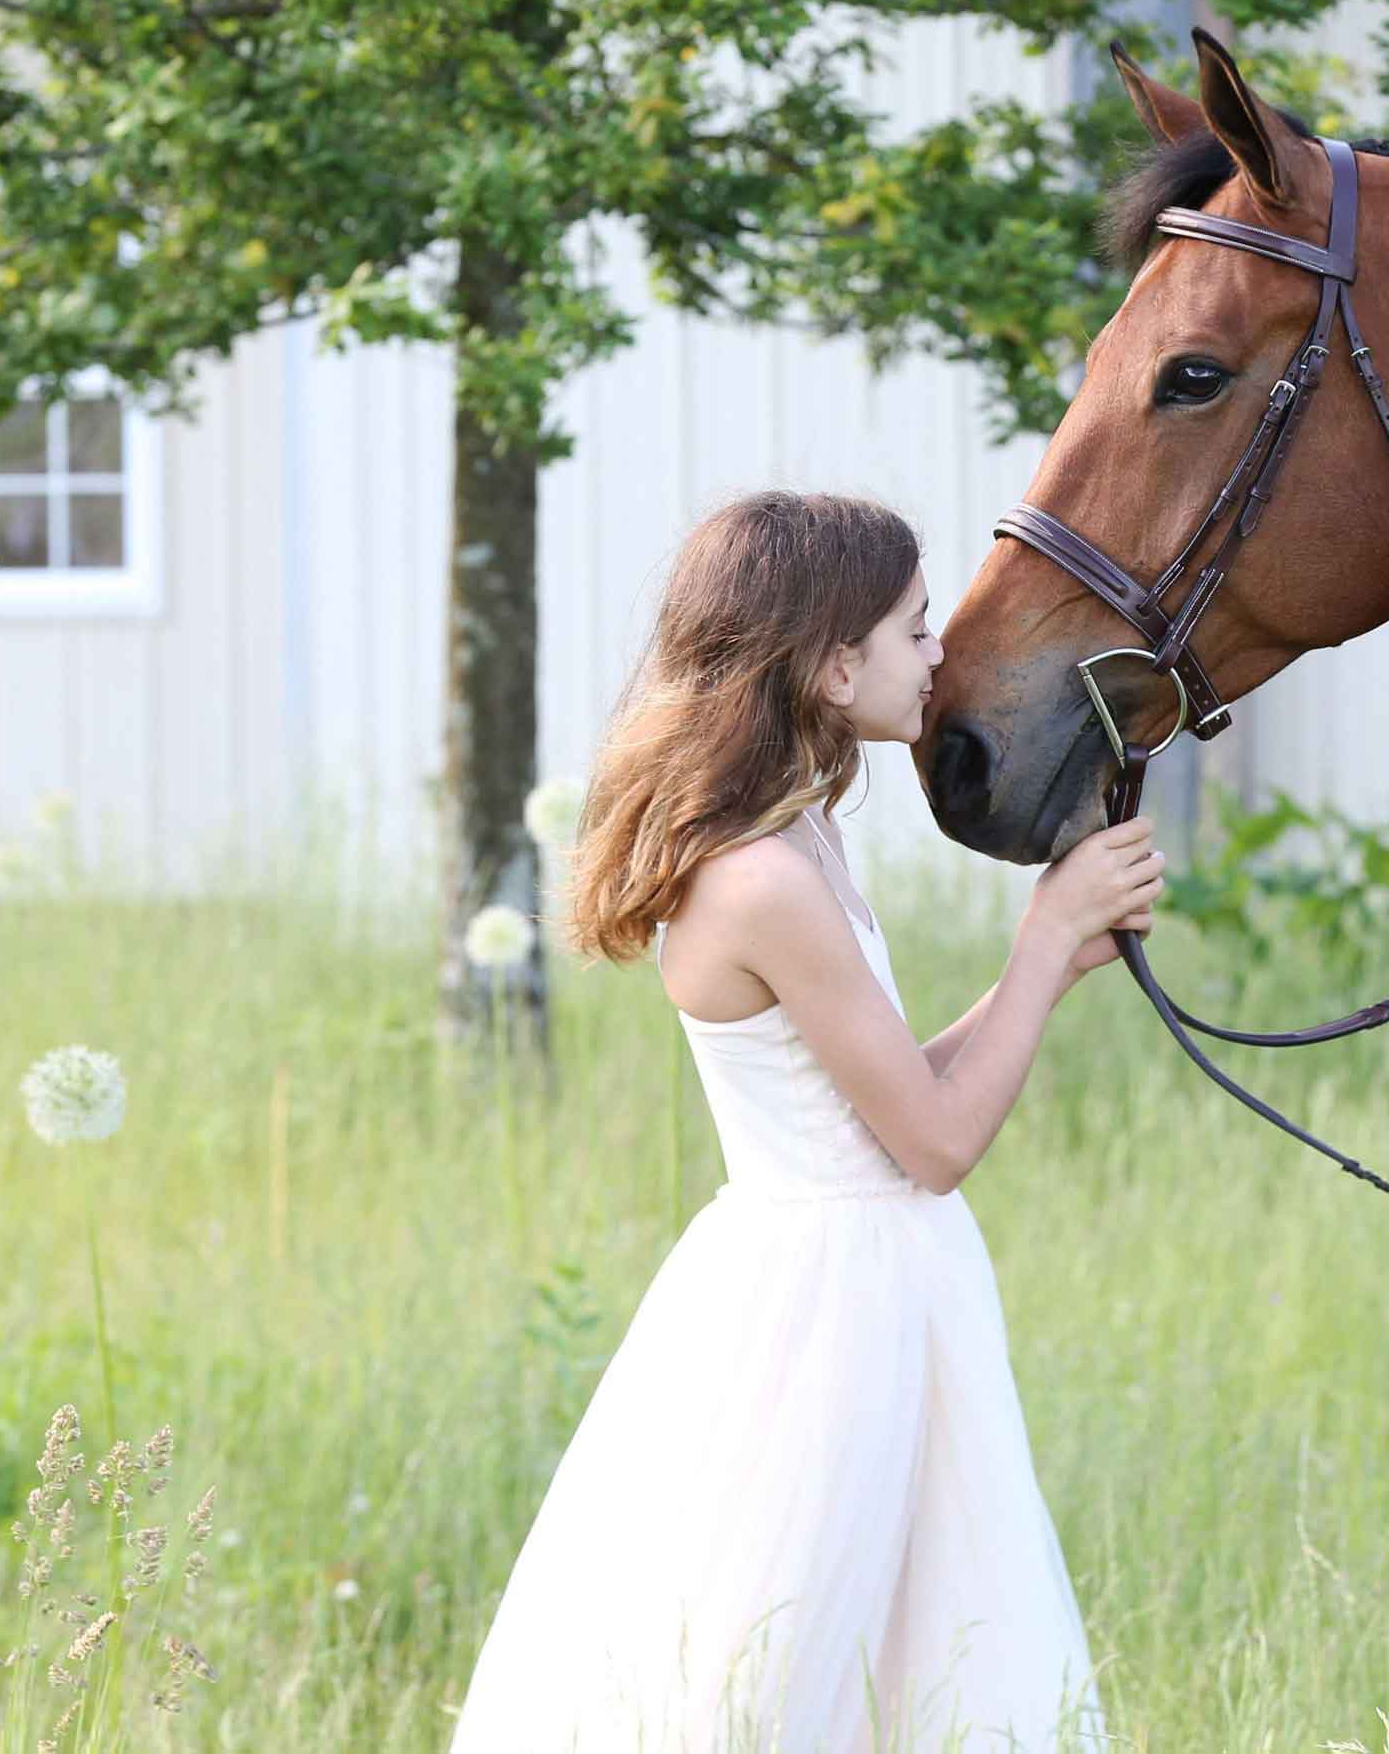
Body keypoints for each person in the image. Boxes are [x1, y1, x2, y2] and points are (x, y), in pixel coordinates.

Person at [448, 489, 1159, 1753]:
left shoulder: (805, 837)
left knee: (900, 1657)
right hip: (832, 1311)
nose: (940, 655)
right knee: (787, 1675)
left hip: (873, 1274)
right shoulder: (762, 879)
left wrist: (1048, 967)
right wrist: (1042, 942)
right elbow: (933, 1146)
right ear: (834, 665)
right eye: (914, 629)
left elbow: (878, 1104)